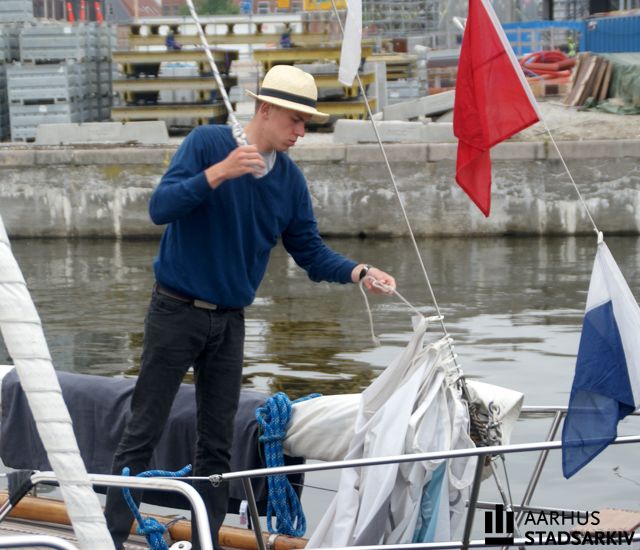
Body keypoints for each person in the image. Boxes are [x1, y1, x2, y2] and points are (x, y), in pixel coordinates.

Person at [104, 64, 396, 550]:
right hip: (174, 311)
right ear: (264, 109)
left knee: (216, 445)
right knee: (143, 430)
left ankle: (206, 540)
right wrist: (220, 173)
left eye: (307, 123)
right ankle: (109, 538)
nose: (302, 131)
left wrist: (358, 272)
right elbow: (160, 209)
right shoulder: (207, 144)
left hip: (229, 321)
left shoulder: (291, 182)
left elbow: (309, 250)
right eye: (295, 120)